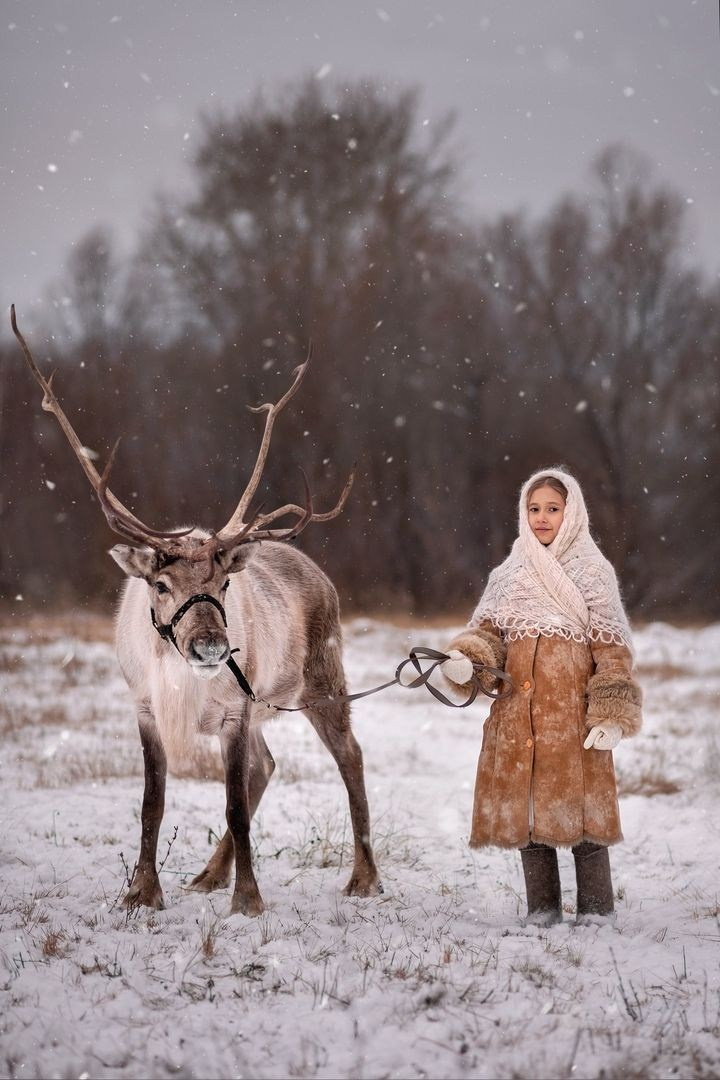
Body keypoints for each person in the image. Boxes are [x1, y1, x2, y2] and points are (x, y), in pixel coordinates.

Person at [441, 467, 642, 925]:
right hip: (518, 719)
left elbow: (612, 651)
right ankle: (543, 910)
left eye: (553, 508)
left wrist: (610, 714)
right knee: (531, 819)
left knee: (585, 818)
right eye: (534, 509)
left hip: (572, 720)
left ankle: (596, 910)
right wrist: (466, 661)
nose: (542, 518)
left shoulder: (594, 572)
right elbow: (488, 638)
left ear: (572, 513)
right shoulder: (508, 575)